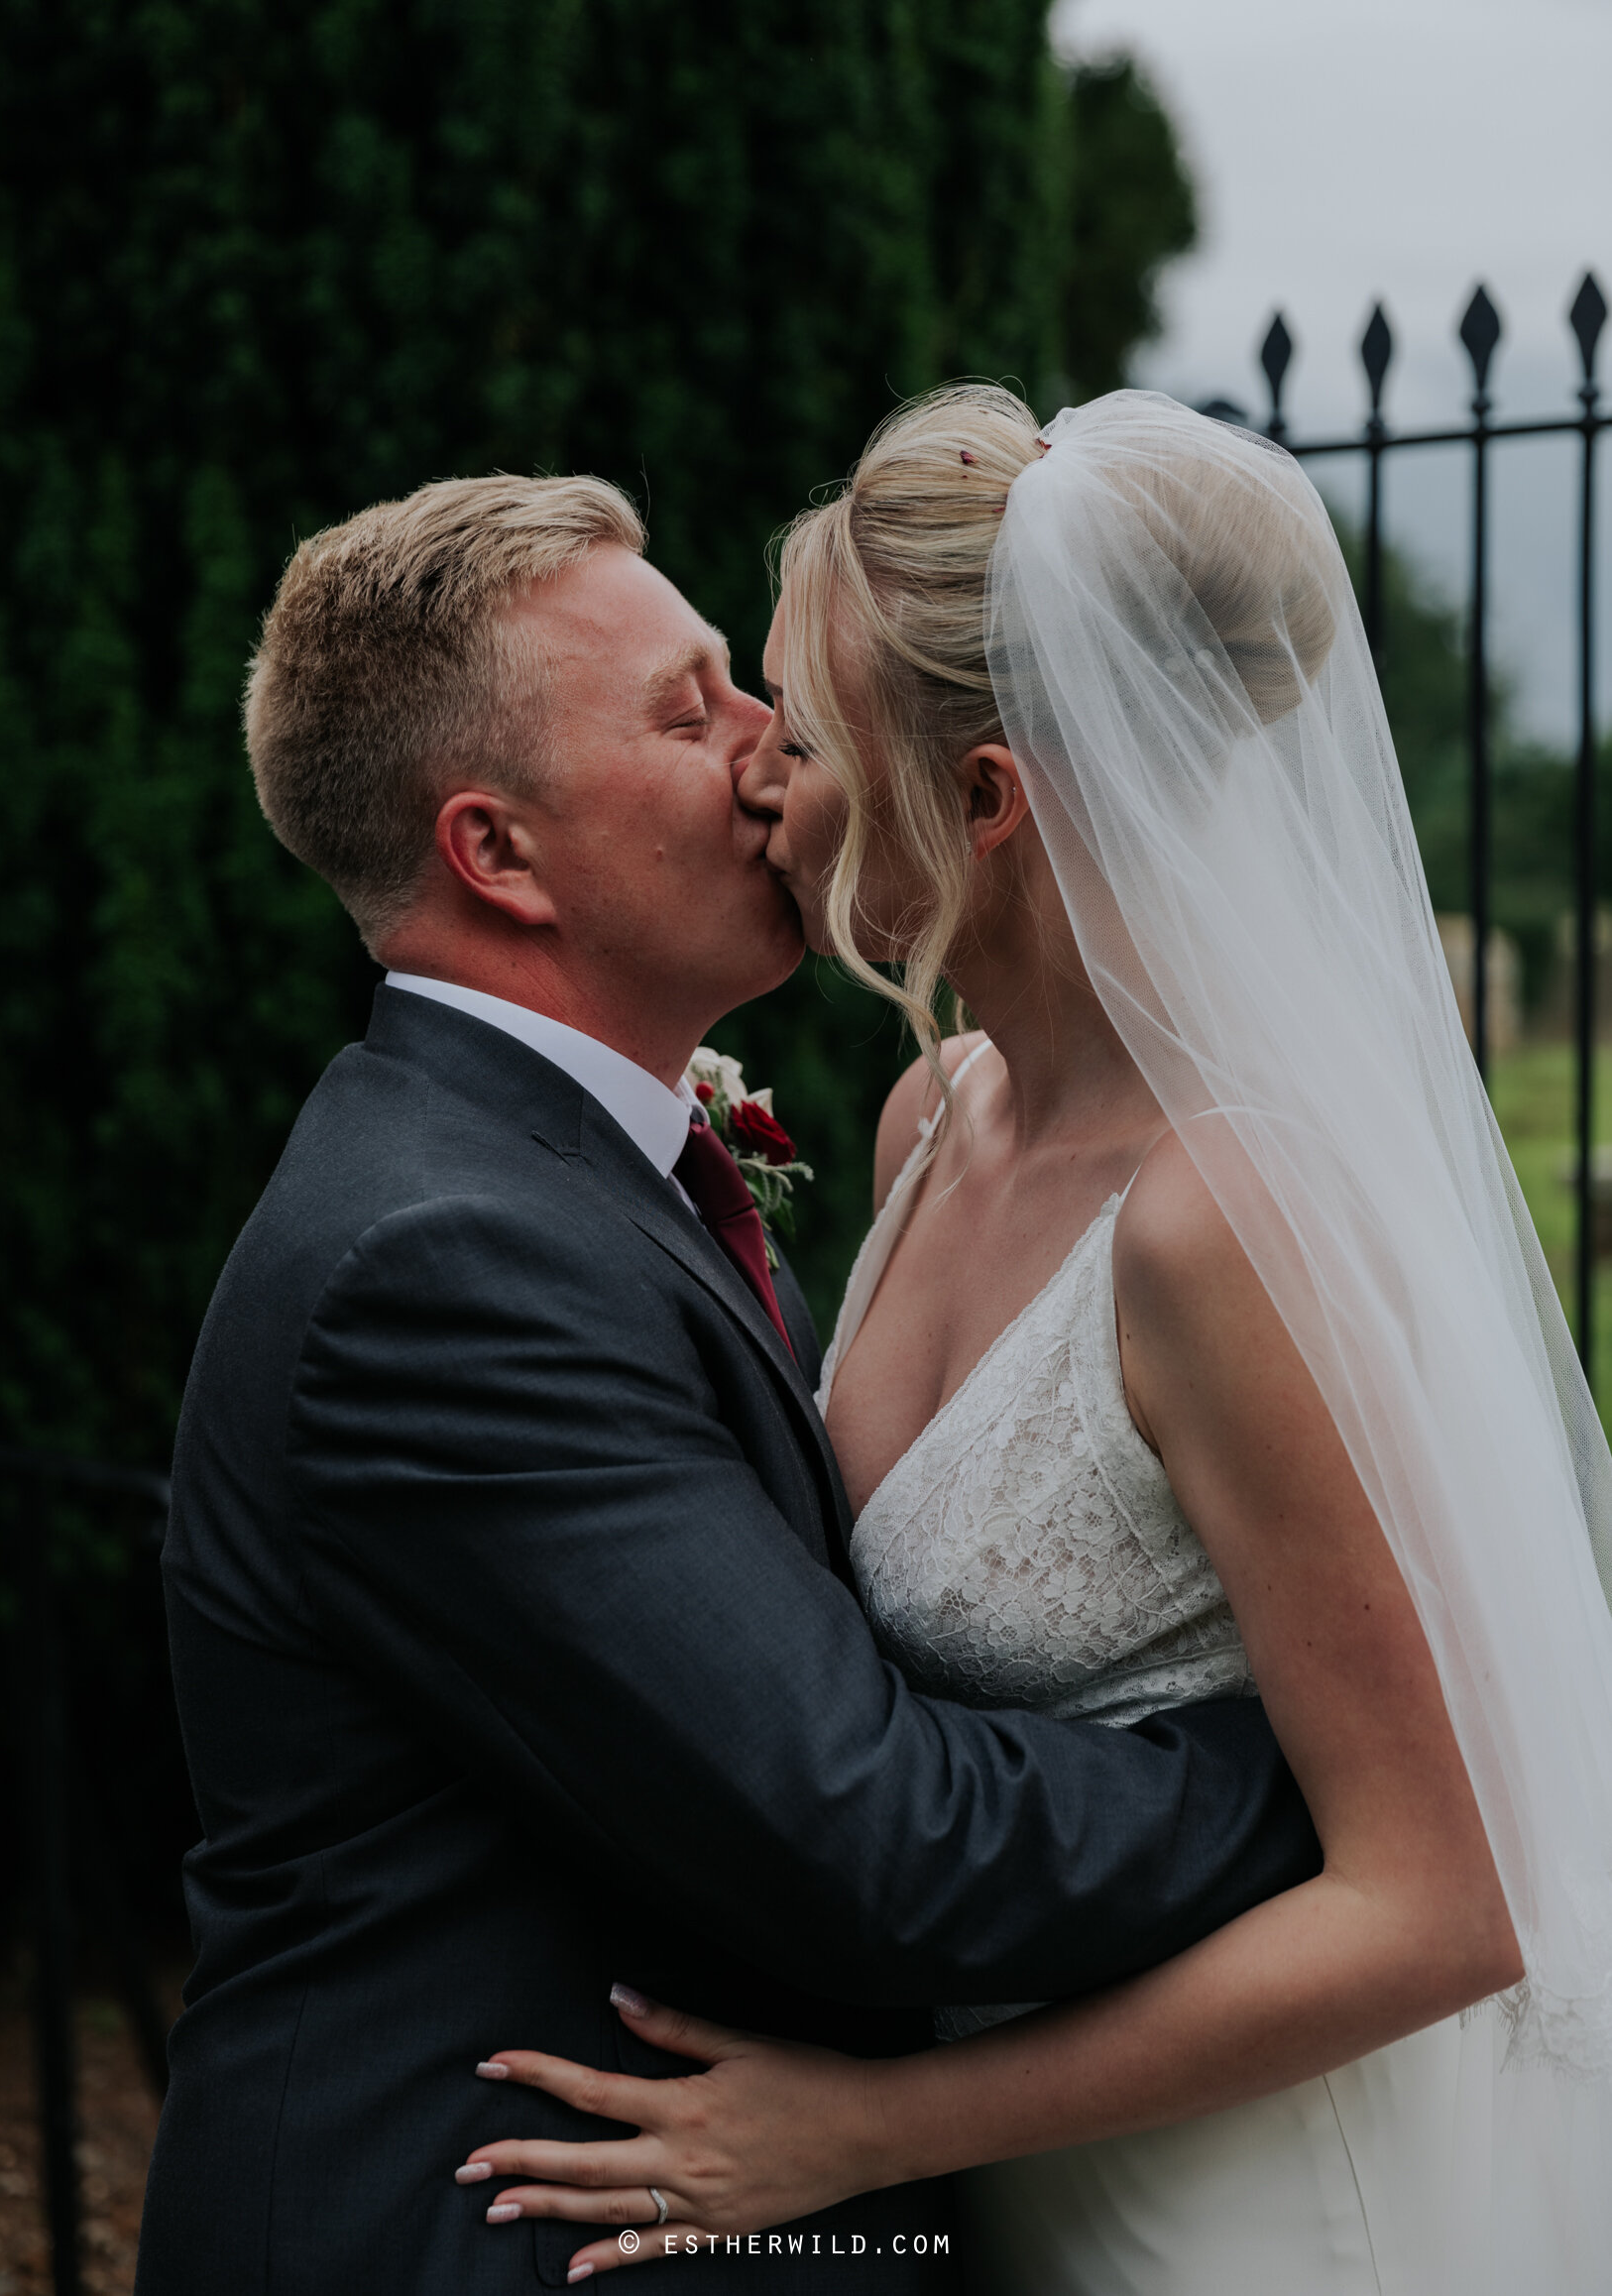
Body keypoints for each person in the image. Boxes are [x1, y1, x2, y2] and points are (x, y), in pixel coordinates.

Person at [461, 390, 1612, 2293]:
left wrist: (866, 2134)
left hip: (1256, 2194)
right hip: (1028, 2171)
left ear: (982, 800)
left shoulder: (1224, 1225)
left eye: (803, 733)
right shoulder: (934, 1120)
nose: (756, 777)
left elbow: (1447, 1903)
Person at [135, 468, 1323, 2296]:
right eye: (692, 710)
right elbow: (871, 1838)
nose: (779, 744)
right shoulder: (443, 1262)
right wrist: (1324, 1777)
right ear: (498, 854)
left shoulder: (563, 1166)